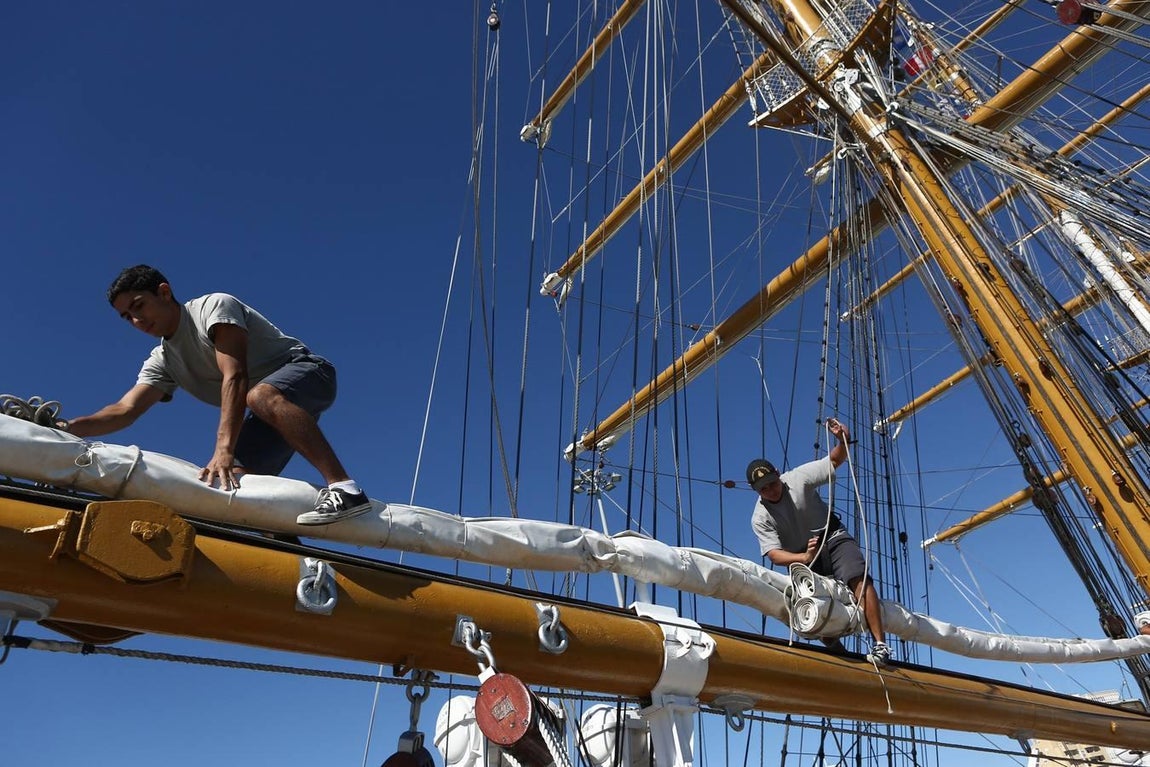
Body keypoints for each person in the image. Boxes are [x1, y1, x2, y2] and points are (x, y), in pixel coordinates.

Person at [65, 264, 371, 526]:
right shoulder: (162, 359)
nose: (136, 320)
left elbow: (235, 375)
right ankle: (287, 551)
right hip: (265, 410)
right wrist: (64, 428)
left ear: (164, 292)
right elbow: (124, 410)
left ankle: (345, 489)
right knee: (233, 487)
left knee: (258, 397)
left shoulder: (212, 307)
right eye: (126, 317)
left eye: (139, 305)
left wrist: (224, 448)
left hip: (309, 374)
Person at [747, 418, 891, 667]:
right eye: (763, 489)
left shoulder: (798, 478)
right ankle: (840, 654)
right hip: (803, 556)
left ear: (778, 475)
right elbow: (773, 554)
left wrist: (842, 439)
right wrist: (802, 558)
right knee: (812, 607)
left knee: (859, 579)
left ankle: (880, 645)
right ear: (756, 491)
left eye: (771, 483)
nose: (770, 490)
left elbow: (834, 460)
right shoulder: (760, 517)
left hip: (832, 537)